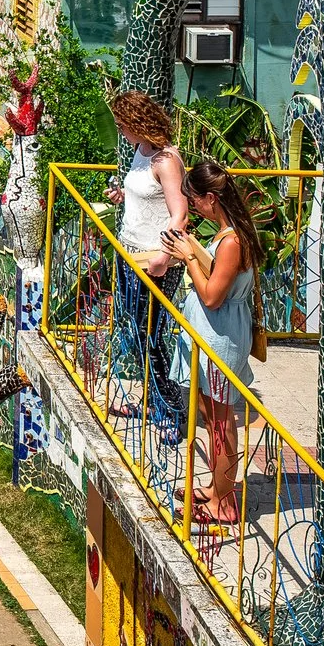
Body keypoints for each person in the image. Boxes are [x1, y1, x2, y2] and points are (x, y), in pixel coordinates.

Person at [167, 160, 265, 525]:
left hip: (220, 337)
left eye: (194, 200)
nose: (192, 206)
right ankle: (217, 488)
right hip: (215, 333)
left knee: (222, 423)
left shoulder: (232, 242)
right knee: (212, 418)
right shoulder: (230, 233)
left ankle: (223, 505)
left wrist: (188, 257)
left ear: (211, 197)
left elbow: (212, 296)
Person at [110, 89, 189, 434]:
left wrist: (163, 257)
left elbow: (180, 213)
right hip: (129, 251)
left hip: (155, 260)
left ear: (137, 123)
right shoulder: (141, 151)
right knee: (139, 332)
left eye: (123, 125)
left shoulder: (166, 160)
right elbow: (147, 195)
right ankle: (153, 398)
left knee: (152, 335)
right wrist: (123, 195)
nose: (121, 132)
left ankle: (171, 410)